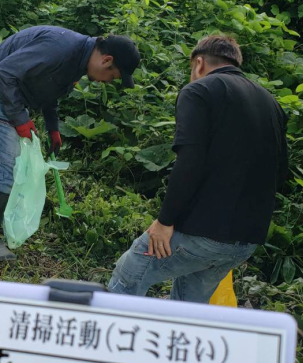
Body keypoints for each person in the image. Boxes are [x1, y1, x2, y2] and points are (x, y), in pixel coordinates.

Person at [108, 35, 288, 303]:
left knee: (129, 274)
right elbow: (281, 173)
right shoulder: (271, 102)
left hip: (202, 234)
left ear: (199, 63)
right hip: (246, 240)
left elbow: (190, 160)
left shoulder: (199, 90)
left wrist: (164, 222)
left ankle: (106, 328)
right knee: (189, 309)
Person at [0, 26, 140, 261]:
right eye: (112, 77)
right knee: (8, 169)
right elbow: (6, 71)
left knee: (14, 166)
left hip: (7, 94)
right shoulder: (60, 48)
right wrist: (20, 119)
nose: (107, 82)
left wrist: (53, 127)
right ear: (107, 60)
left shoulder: (78, 60)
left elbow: (50, 90)